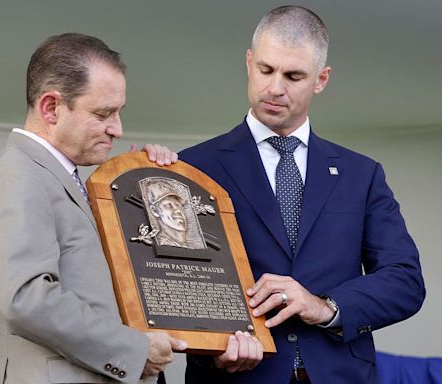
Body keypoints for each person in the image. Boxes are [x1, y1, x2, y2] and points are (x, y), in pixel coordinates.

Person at [179, 6, 425, 384]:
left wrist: (324, 307)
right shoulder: (191, 167)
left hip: (340, 374)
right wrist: (213, 347)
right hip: (235, 375)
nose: (275, 88)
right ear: (249, 62)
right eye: (266, 70)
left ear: (321, 79)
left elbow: (404, 280)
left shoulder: (362, 174)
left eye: (293, 75)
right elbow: (173, 279)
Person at [0, 33, 187, 384]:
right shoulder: (16, 175)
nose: (117, 128)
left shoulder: (67, 180)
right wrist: (132, 350)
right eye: (103, 113)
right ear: (51, 108)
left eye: (118, 112)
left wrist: (144, 178)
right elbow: (27, 300)